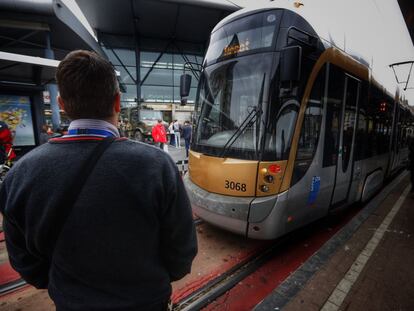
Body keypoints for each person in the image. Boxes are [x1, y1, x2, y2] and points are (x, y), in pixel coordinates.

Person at [0, 50, 197, 311]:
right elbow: (182, 252)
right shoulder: (156, 166)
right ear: (117, 102)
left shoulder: (20, 174)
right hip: (145, 302)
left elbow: (24, 260)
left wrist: (68, 288)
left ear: (61, 104)